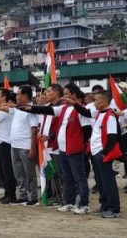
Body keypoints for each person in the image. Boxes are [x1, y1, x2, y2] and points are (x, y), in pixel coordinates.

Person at [22, 84, 92, 214]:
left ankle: (84, 204)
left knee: (79, 177)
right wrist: (30, 108)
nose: (63, 97)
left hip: (75, 149)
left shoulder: (81, 110)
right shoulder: (64, 108)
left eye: (66, 94)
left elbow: (87, 131)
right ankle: (69, 202)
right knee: (67, 177)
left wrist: (80, 144)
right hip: (63, 149)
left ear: (74, 95)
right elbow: (48, 109)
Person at [89, 92, 123, 219]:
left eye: (97, 101)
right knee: (101, 181)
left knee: (108, 181)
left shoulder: (110, 116)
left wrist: (104, 152)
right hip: (95, 151)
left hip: (102, 152)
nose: (95, 103)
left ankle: (114, 208)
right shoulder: (99, 114)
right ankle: (104, 205)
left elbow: (112, 137)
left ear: (104, 101)